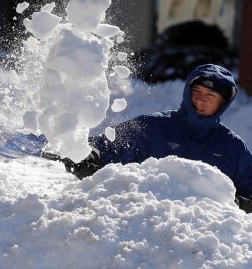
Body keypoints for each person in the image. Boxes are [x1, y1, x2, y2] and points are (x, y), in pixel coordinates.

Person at [44, 64, 252, 212]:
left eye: (210, 95)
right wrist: (86, 154)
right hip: (145, 234)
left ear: (223, 103)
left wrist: (239, 204)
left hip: (202, 246)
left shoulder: (233, 148)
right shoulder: (154, 127)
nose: (199, 99)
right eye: (195, 91)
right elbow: (109, 145)